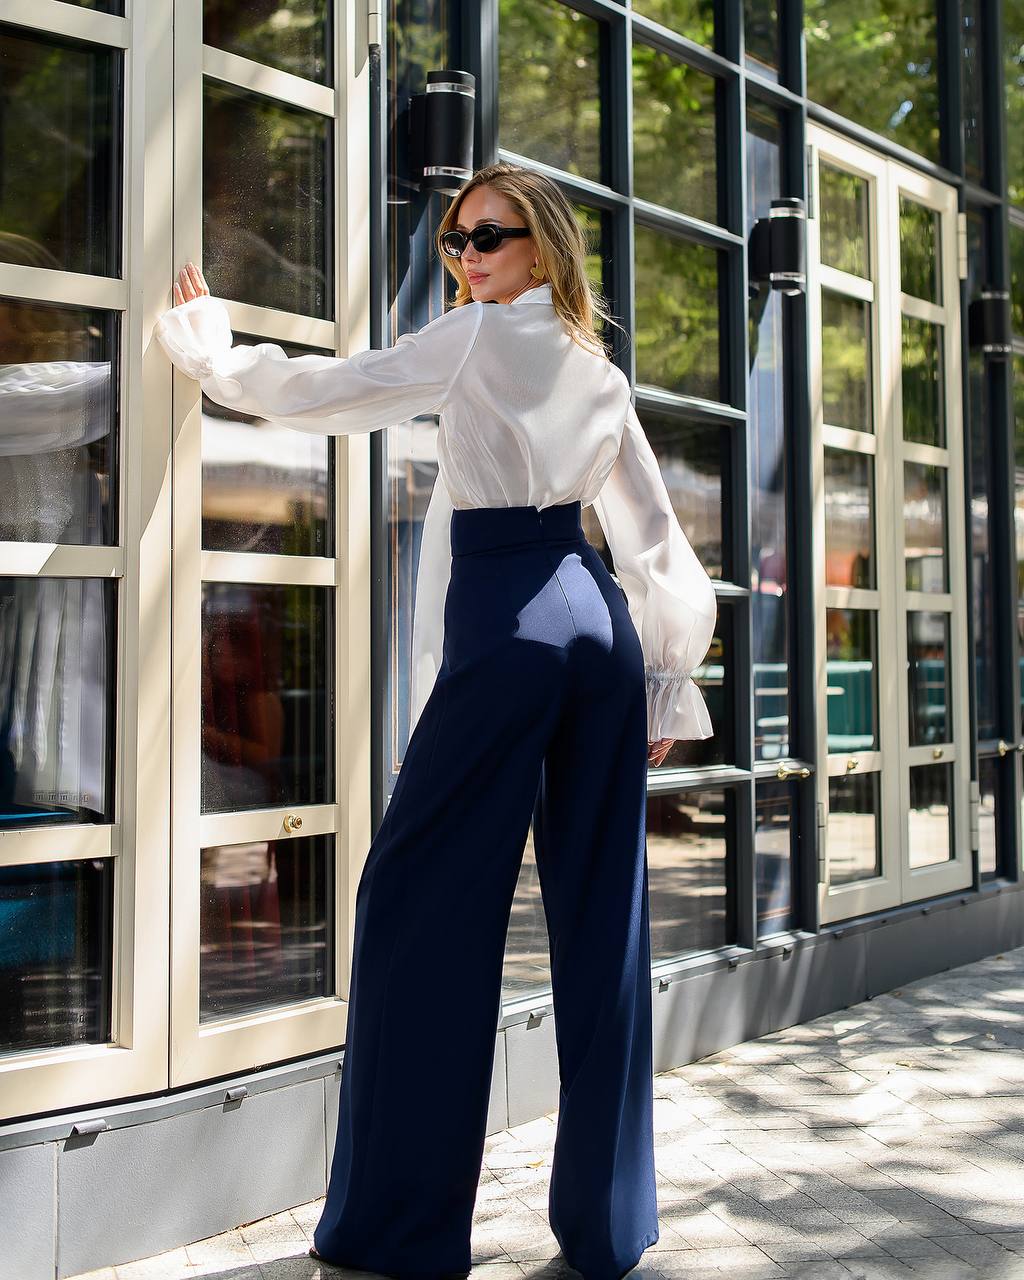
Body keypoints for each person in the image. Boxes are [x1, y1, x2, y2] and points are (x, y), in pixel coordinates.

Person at [156, 161, 717, 1280]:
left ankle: (400, 1230)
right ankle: (608, 1226)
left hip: (511, 625)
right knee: (602, 919)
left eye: (488, 238)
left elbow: (335, 389)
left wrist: (211, 351)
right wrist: (664, 675)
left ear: (542, 247)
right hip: (595, 624)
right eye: (455, 240)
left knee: (414, 906)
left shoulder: (473, 339)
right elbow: (651, 532)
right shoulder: (599, 370)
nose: (465, 259)